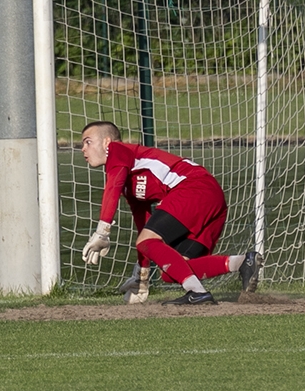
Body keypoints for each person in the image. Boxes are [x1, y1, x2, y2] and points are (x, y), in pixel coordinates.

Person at [79, 120, 263, 305]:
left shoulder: (118, 150)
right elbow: (143, 223)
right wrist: (142, 275)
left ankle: (197, 293)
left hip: (194, 188)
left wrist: (102, 231)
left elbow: (112, 188)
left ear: (107, 143)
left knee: (149, 243)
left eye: (88, 142)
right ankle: (242, 263)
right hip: (210, 197)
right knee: (172, 271)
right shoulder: (129, 183)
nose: (83, 149)